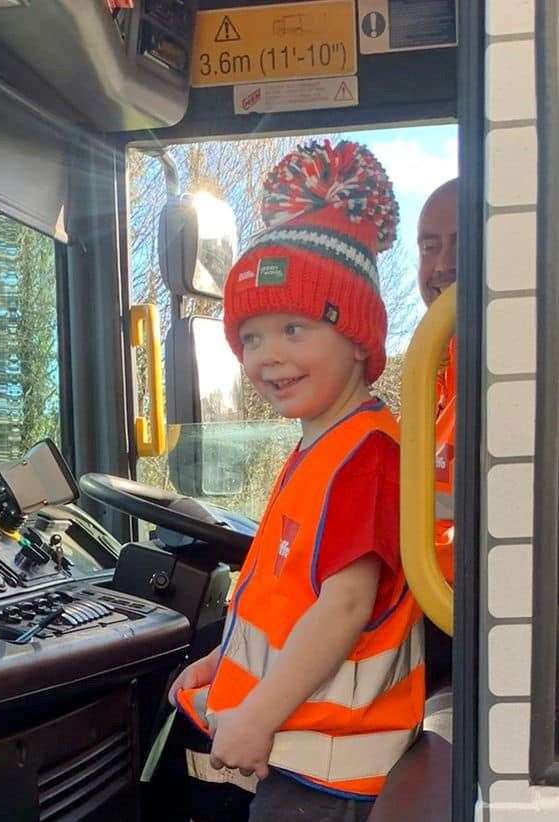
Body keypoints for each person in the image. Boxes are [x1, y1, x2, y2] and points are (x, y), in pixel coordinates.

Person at [173, 141, 426, 820]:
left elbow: (343, 607)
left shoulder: (365, 455)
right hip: (296, 749)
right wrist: (225, 672)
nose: (268, 356)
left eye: (293, 327)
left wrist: (254, 715)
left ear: (357, 339)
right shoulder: (319, 448)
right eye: (250, 338)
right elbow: (283, 600)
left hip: (328, 768)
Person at [417, 178, 458, 585]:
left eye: (463, 242)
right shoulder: (431, 376)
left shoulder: (512, 381)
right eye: (430, 246)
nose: (444, 264)